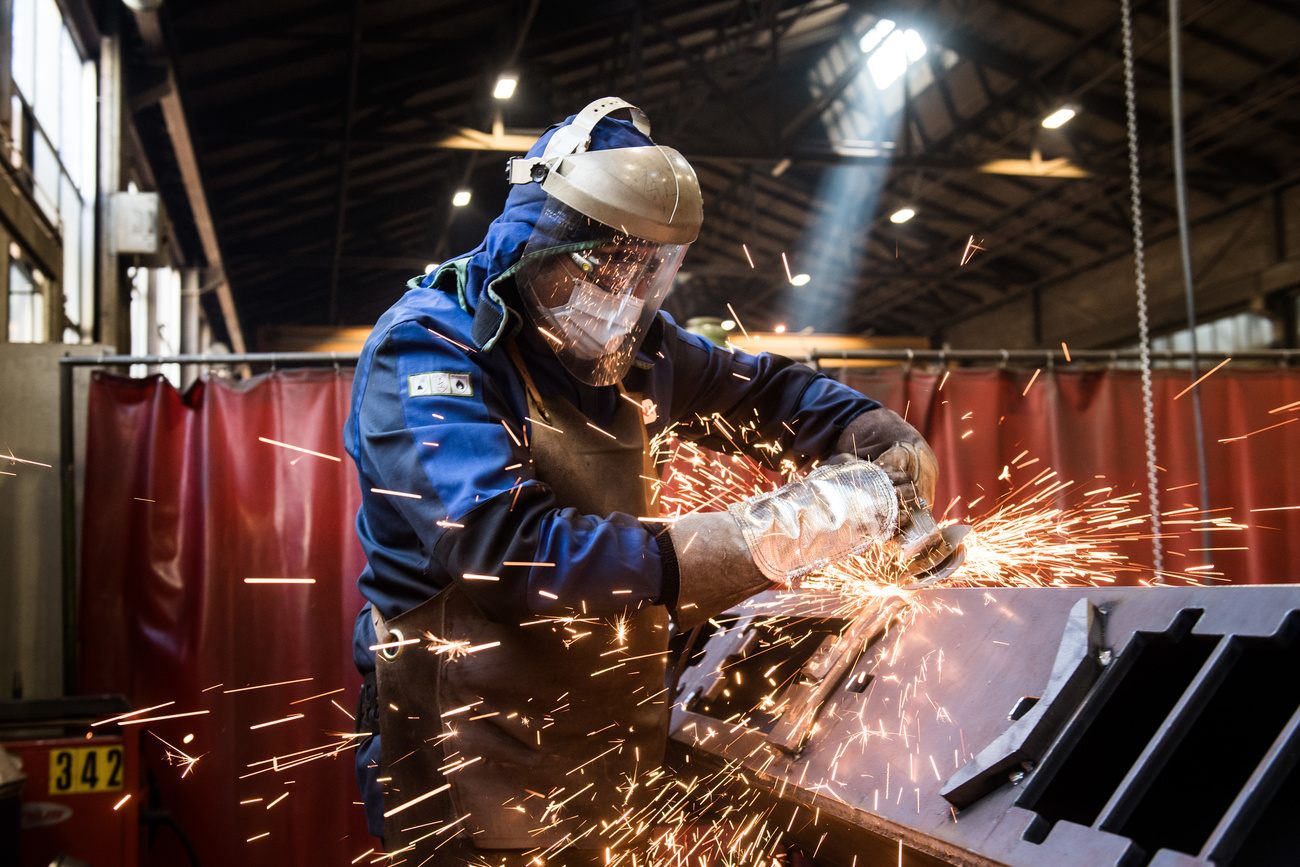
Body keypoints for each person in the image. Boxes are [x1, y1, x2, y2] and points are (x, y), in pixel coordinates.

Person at [346, 97, 939, 864]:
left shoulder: (636, 347)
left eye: (647, 268)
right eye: (601, 262)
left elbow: (767, 393)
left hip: (598, 743)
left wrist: (875, 437)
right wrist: (776, 531)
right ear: (537, 238)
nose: (622, 296)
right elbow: (512, 552)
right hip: (465, 745)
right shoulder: (430, 348)